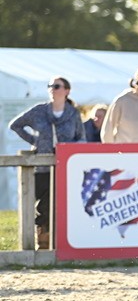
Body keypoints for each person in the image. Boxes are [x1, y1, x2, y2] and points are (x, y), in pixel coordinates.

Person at [8, 76, 85, 249]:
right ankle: (42, 240)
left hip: (65, 167)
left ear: (66, 91)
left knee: (63, 204)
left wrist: (67, 148)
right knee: (44, 205)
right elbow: (15, 125)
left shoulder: (73, 114)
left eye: (57, 86)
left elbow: (82, 139)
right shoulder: (39, 111)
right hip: (42, 166)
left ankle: (61, 243)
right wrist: (35, 140)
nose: (53, 89)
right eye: (50, 86)